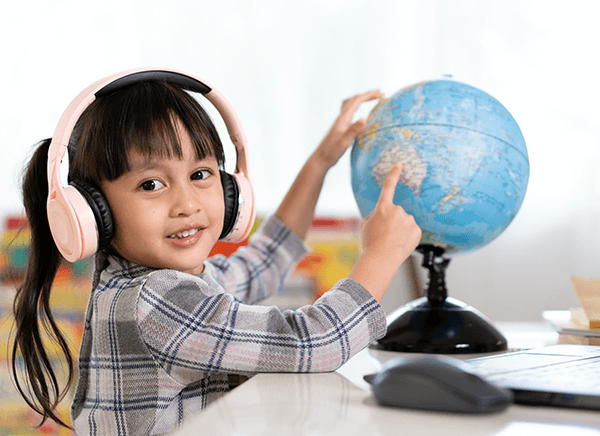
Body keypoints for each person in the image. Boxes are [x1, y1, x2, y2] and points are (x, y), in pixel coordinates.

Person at [10, 71, 421, 435]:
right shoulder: (155, 302)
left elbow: (264, 261)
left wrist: (319, 164)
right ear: (92, 211)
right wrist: (381, 254)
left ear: (229, 187)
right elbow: (313, 343)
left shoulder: (174, 283)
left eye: (201, 174)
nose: (187, 203)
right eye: (151, 185)